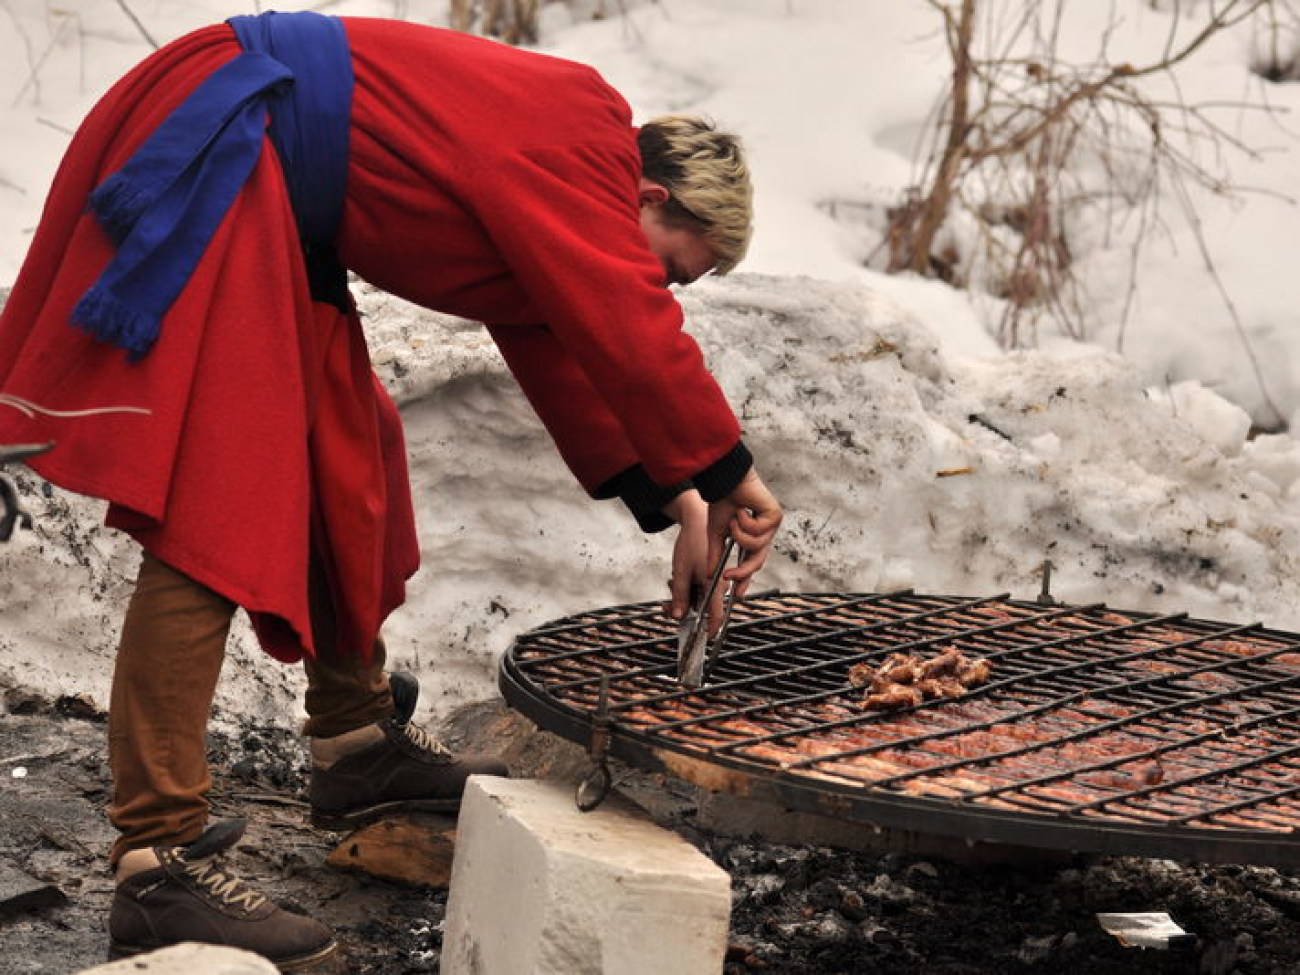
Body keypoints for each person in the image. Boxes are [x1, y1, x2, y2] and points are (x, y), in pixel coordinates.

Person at [0, 10, 783, 971]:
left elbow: (565, 336)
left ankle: (354, 744)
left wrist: (682, 496)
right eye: (667, 270)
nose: (656, 292)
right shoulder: (581, 137)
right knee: (221, 503)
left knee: (346, 449)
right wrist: (732, 472)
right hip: (234, 140)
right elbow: (623, 323)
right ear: (649, 193)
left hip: (282, 192)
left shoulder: (562, 195)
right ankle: (154, 861)